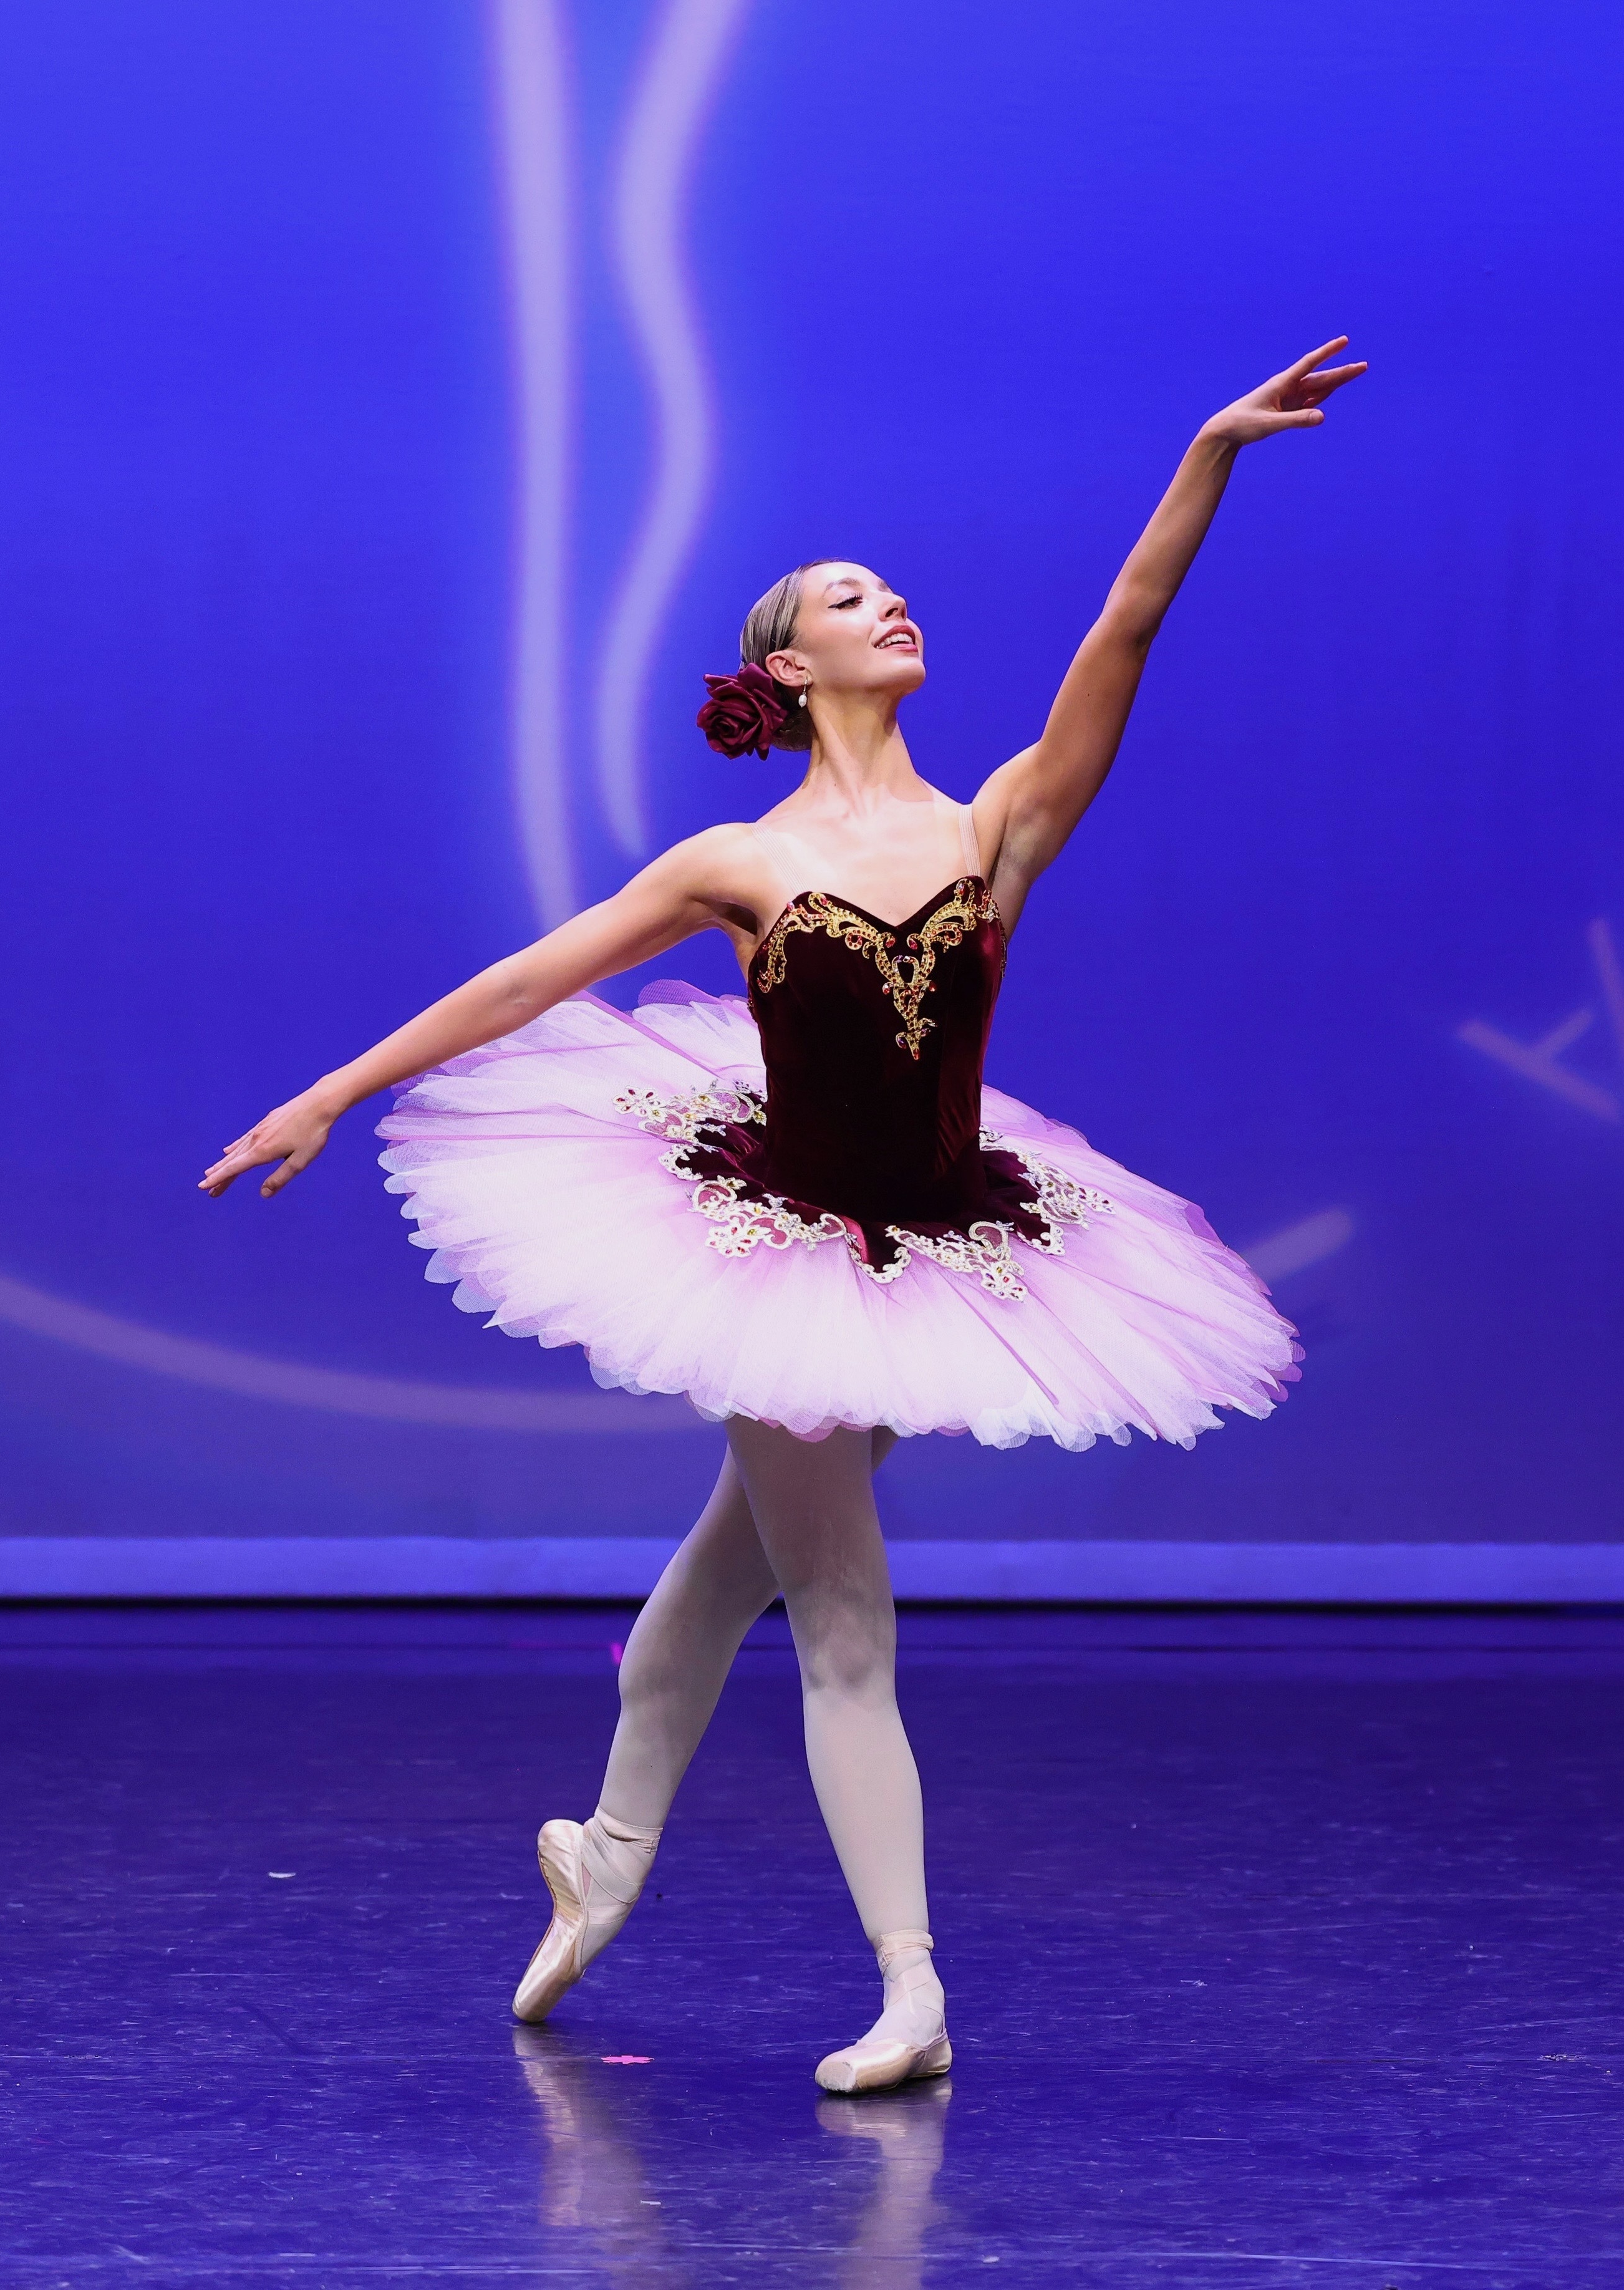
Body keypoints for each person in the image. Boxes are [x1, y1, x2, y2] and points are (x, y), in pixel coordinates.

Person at [201, 338, 1366, 2093]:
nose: (889, 604)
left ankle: (604, 1853)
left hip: (946, 1245)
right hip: (782, 1249)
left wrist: (1210, 454)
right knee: (842, 1615)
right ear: (787, 664)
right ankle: (914, 1994)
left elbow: (1126, 628)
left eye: (893, 589)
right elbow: (526, 982)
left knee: (734, 1563)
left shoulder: (999, 825)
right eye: (848, 595)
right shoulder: (736, 864)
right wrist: (328, 1093)